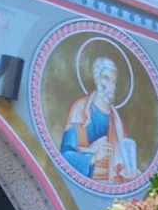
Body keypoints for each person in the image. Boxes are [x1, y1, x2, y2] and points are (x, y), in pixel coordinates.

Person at [60, 56, 140, 184]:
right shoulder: (80, 109)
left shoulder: (118, 123)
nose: (111, 86)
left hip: (111, 186)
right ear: (97, 79)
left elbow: (121, 164)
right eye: (106, 78)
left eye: (113, 81)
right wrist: (94, 157)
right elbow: (65, 156)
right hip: (85, 182)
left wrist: (130, 172)